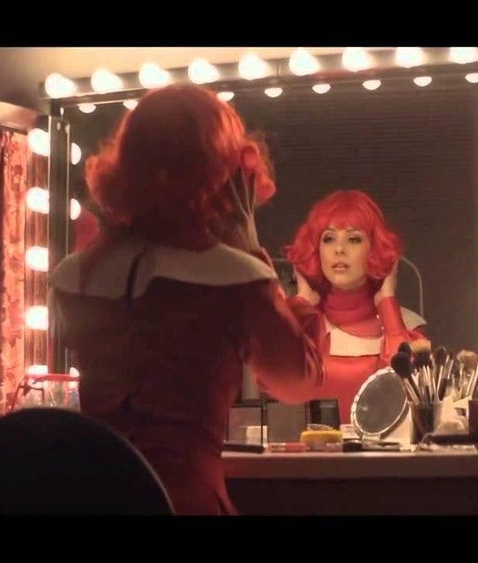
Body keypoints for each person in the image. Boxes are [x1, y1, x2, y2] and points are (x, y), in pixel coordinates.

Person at [47, 85, 325, 515]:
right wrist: (251, 250)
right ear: (227, 176)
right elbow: (296, 381)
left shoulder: (73, 276)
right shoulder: (237, 276)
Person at [284, 189, 426, 425]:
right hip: (308, 449)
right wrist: (303, 302)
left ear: (375, 249)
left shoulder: (407, 327)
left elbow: (408, 398)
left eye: (353, 239)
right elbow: (274, 386)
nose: (339, 249)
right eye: (329, 239)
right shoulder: (302, 323)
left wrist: (387, 301)